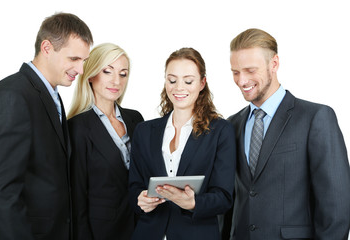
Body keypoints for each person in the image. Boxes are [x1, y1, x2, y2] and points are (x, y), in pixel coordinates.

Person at [223, 28, 350, 240]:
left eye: (250, 70)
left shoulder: (315, 118)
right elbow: (228, 204)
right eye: (235, 72)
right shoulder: (231, 125)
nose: (242, 81)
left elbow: (336, 208)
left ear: (274, 64)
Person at [0, 13, 93, 240]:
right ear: (47, 48)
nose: (81, 70)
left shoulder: (53, 95)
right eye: (74, 59)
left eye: (83, 61)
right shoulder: (13, 96)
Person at [128, 47, 236, 240]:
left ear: (202, 83)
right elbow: (133, 187)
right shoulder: (144, 131)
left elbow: (224, 198)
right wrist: (141, 200)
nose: (179, 88)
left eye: (188, 81)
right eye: (172, 80)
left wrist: (193, 203)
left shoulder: (220, 131)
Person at [67, 43, 144, 240]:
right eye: (107, 71)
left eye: (123, 73)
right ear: (91, 75)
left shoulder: (136, 120)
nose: (116, 81)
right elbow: (77, 200)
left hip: (141, 227)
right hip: (101, 233)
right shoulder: (77, 127)